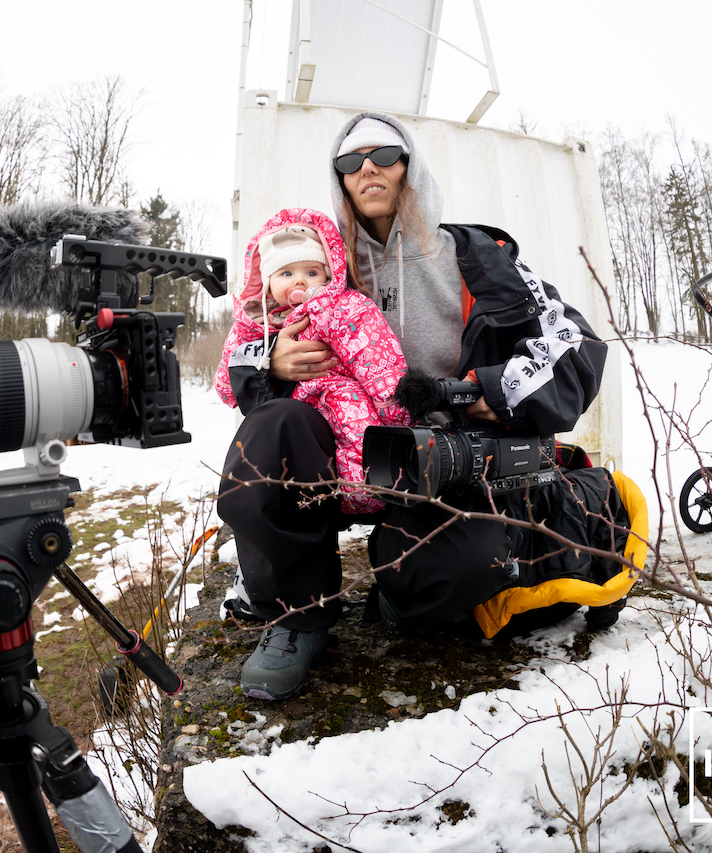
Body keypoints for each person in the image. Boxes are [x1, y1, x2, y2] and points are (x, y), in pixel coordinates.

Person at [217, 113, 646, 701]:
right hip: (337, 451)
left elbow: (574, 343)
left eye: (384, 155)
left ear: (410, 164)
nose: (367, 168)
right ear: (339, 181)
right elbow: (240, 343)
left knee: (458, 570)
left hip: (441, 464)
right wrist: (268, 361)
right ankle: (298, 617)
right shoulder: (318, 263)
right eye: (350, 161)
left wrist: (496, 390)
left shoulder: (479, 255)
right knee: (268, 433)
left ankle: (401, 587)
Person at [214, 207, 412, 514]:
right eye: (286, 273)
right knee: (270, 436)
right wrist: (263, 359)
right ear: (267, 282)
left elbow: (376, 357)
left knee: (356, 425)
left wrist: (396, 409)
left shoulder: (340, 307)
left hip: (337, 389)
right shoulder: (253, 322)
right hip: (292, 408)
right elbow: (227, 386)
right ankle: (288, 508)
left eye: (311, 272)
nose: (300, 282)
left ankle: (362, 492)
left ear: (328, 272)